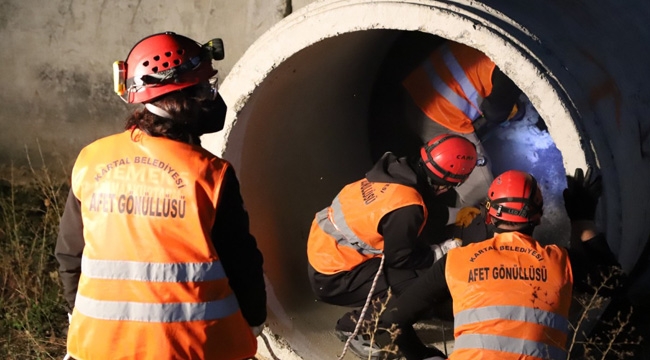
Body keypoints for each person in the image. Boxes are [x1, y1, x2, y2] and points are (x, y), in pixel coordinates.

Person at [54, 32, 267, 360]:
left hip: (97, 346)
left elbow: (70, 256)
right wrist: (253, 322)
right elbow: (241, 262)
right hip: (197, 348)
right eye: (206, 87)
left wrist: (80, 316)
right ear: (187, 95)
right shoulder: (210, 174)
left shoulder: (91, 159)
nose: (212, 95)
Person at [379, 168, 620, 360]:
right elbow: (614, 282)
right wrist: (583, 219)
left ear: (490, 214)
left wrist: (428, 357)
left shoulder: (457, 260)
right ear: (538, 215)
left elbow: (392, 319)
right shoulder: (558, 262)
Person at [306, 134, 482, 359]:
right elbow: (400, 257)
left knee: (412, 274)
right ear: (452, 181)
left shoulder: (395, 171)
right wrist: (440, 252)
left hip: (327, 253)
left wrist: (455, 215)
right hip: (335, 276)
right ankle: (351, 326)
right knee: (414, 289)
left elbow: (408, 211)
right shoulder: (408, 206)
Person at [400, 40, 524, 208]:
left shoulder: (495, 39)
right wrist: (507, 103)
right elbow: (495, 114)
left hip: (414, 94)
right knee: (481, 188)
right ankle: (461, 226)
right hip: (437, 117)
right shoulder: (512, 65)